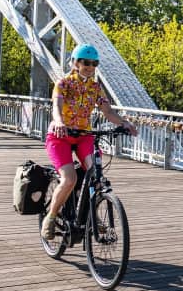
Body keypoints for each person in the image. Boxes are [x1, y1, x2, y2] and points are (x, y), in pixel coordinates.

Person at [41, 44, 136, 239]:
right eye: (85, 62)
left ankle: (91, 215)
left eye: (94, 63)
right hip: (60, 137)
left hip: (84, 135)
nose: (90, 67)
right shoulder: (63, 83)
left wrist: (125, 123)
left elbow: (108, 112)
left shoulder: (95, 88)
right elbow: (56, 107)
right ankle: (50, 218)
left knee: (96, 176)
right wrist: (59, 122)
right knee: (70, 179)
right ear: (75, 62)